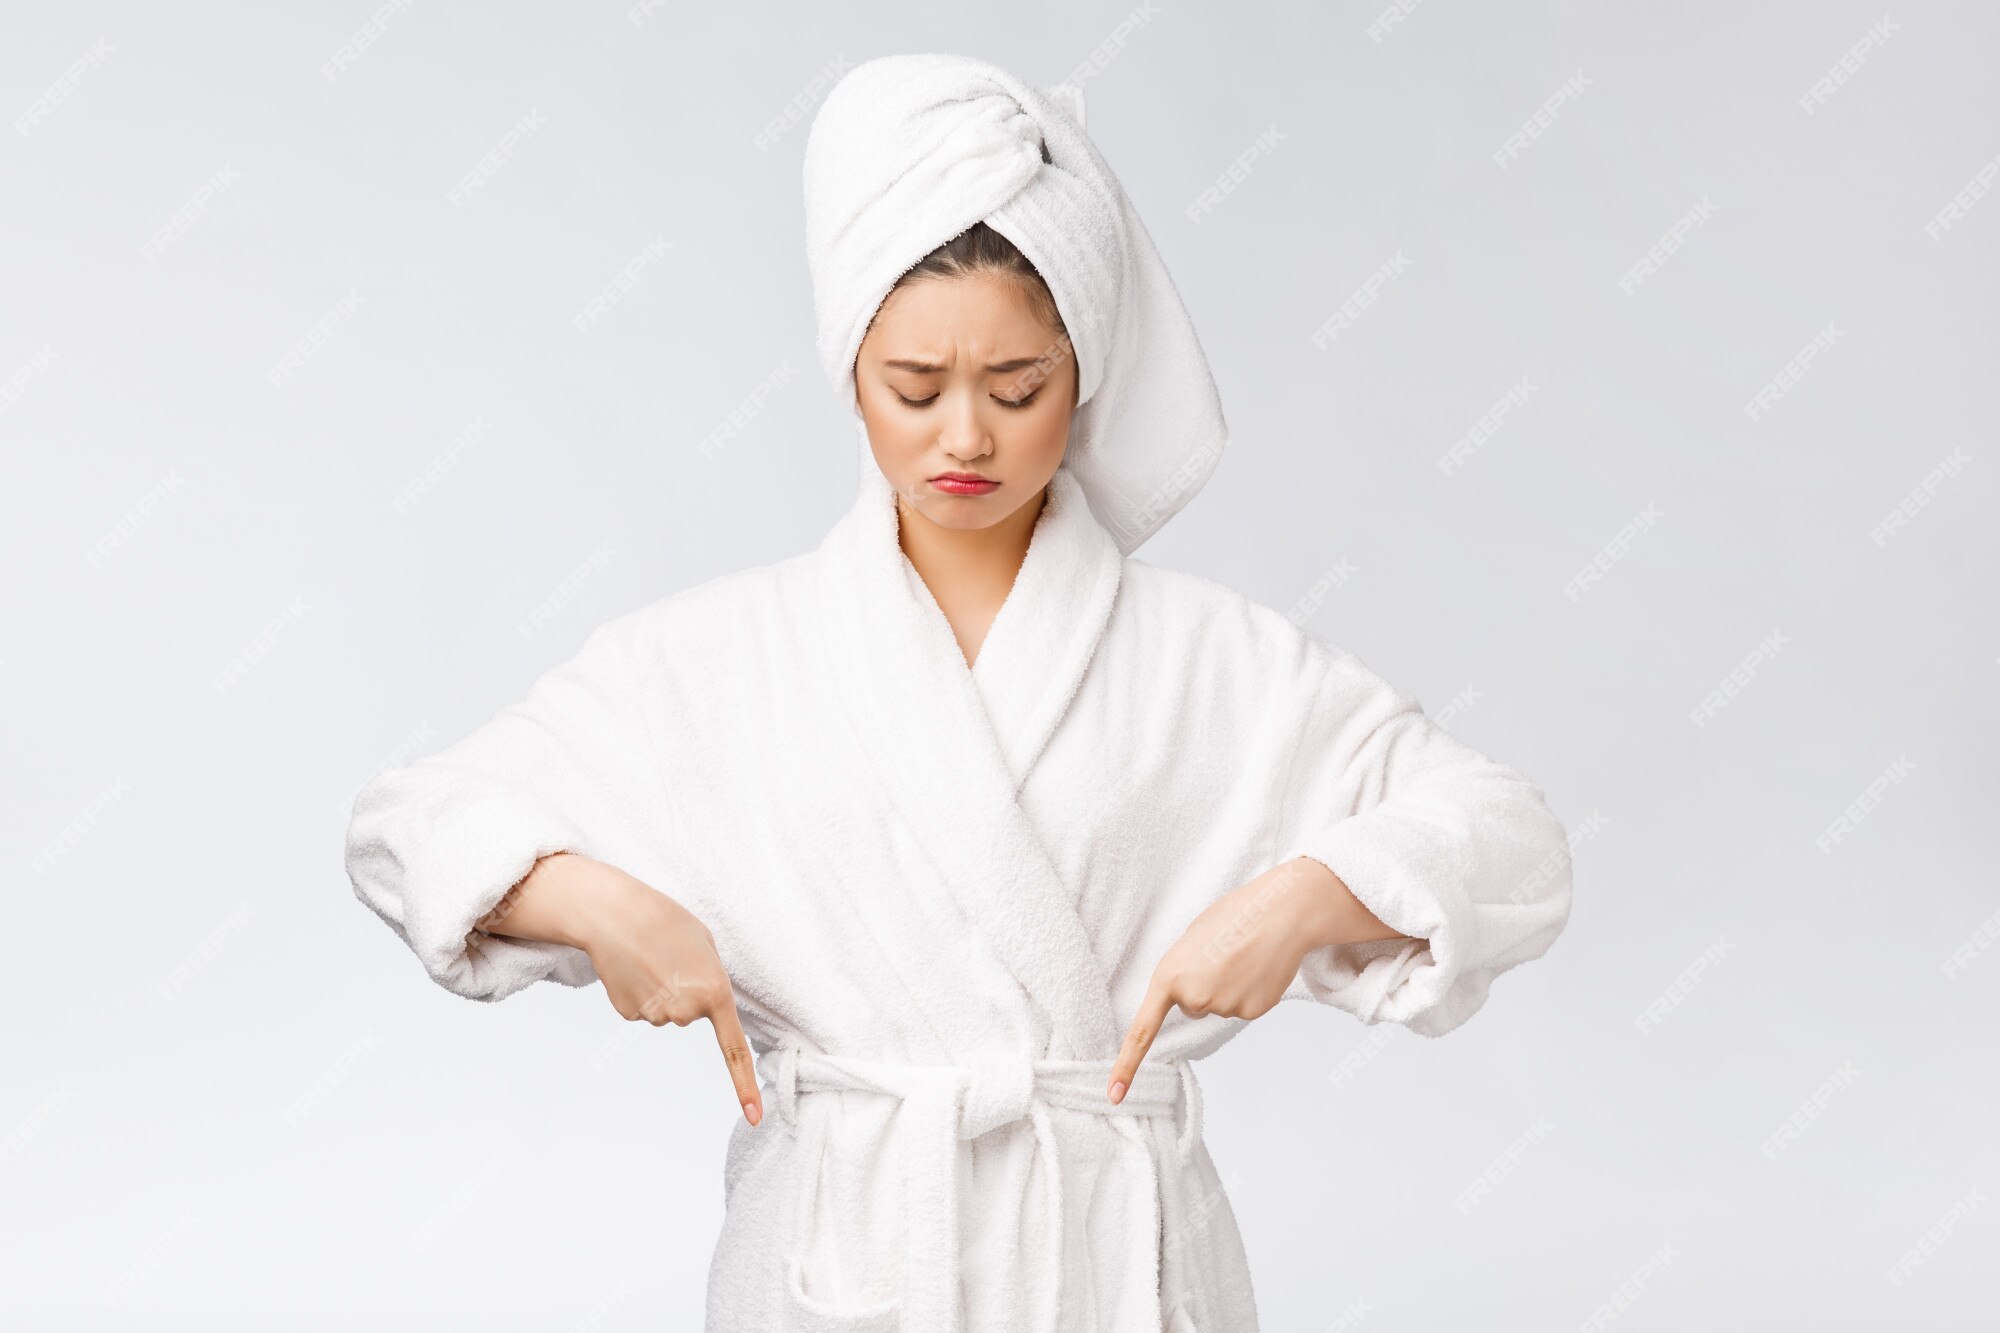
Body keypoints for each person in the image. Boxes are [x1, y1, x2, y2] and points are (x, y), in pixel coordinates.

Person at [344, 52, 1572, 1333]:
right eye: (914, 389)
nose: (967, 437)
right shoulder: (728, 656)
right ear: (850, 372)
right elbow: (404, 825)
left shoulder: (1213, 661)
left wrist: (1308, 897)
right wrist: (584, 899)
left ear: (1083, 372)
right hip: (843, 1259)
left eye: (1018, 387)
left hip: (1116, 1269)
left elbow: (1512, 841)